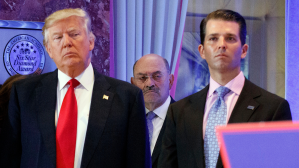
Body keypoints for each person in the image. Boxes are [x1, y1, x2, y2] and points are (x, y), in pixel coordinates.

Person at [0, 8, 150, 168]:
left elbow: (138, 161)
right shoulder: (24, 93)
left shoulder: (127, 97)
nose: (66, 42)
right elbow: (10, 158)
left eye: (74, 34)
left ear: (91, 41)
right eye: (57, 37)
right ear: (49, 50)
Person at [158, 9, 292, 168]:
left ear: (244, 50)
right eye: (213, 38)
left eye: (230, 38)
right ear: (202, 50)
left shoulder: (273, 108)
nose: (221, 45)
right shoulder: (179, 111)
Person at [131, 54, 175, 168]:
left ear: (170, 81)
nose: (150, 83)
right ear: (133, 83)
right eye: (142, 78)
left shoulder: (186, 119)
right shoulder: (125, 119)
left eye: (157, 76)